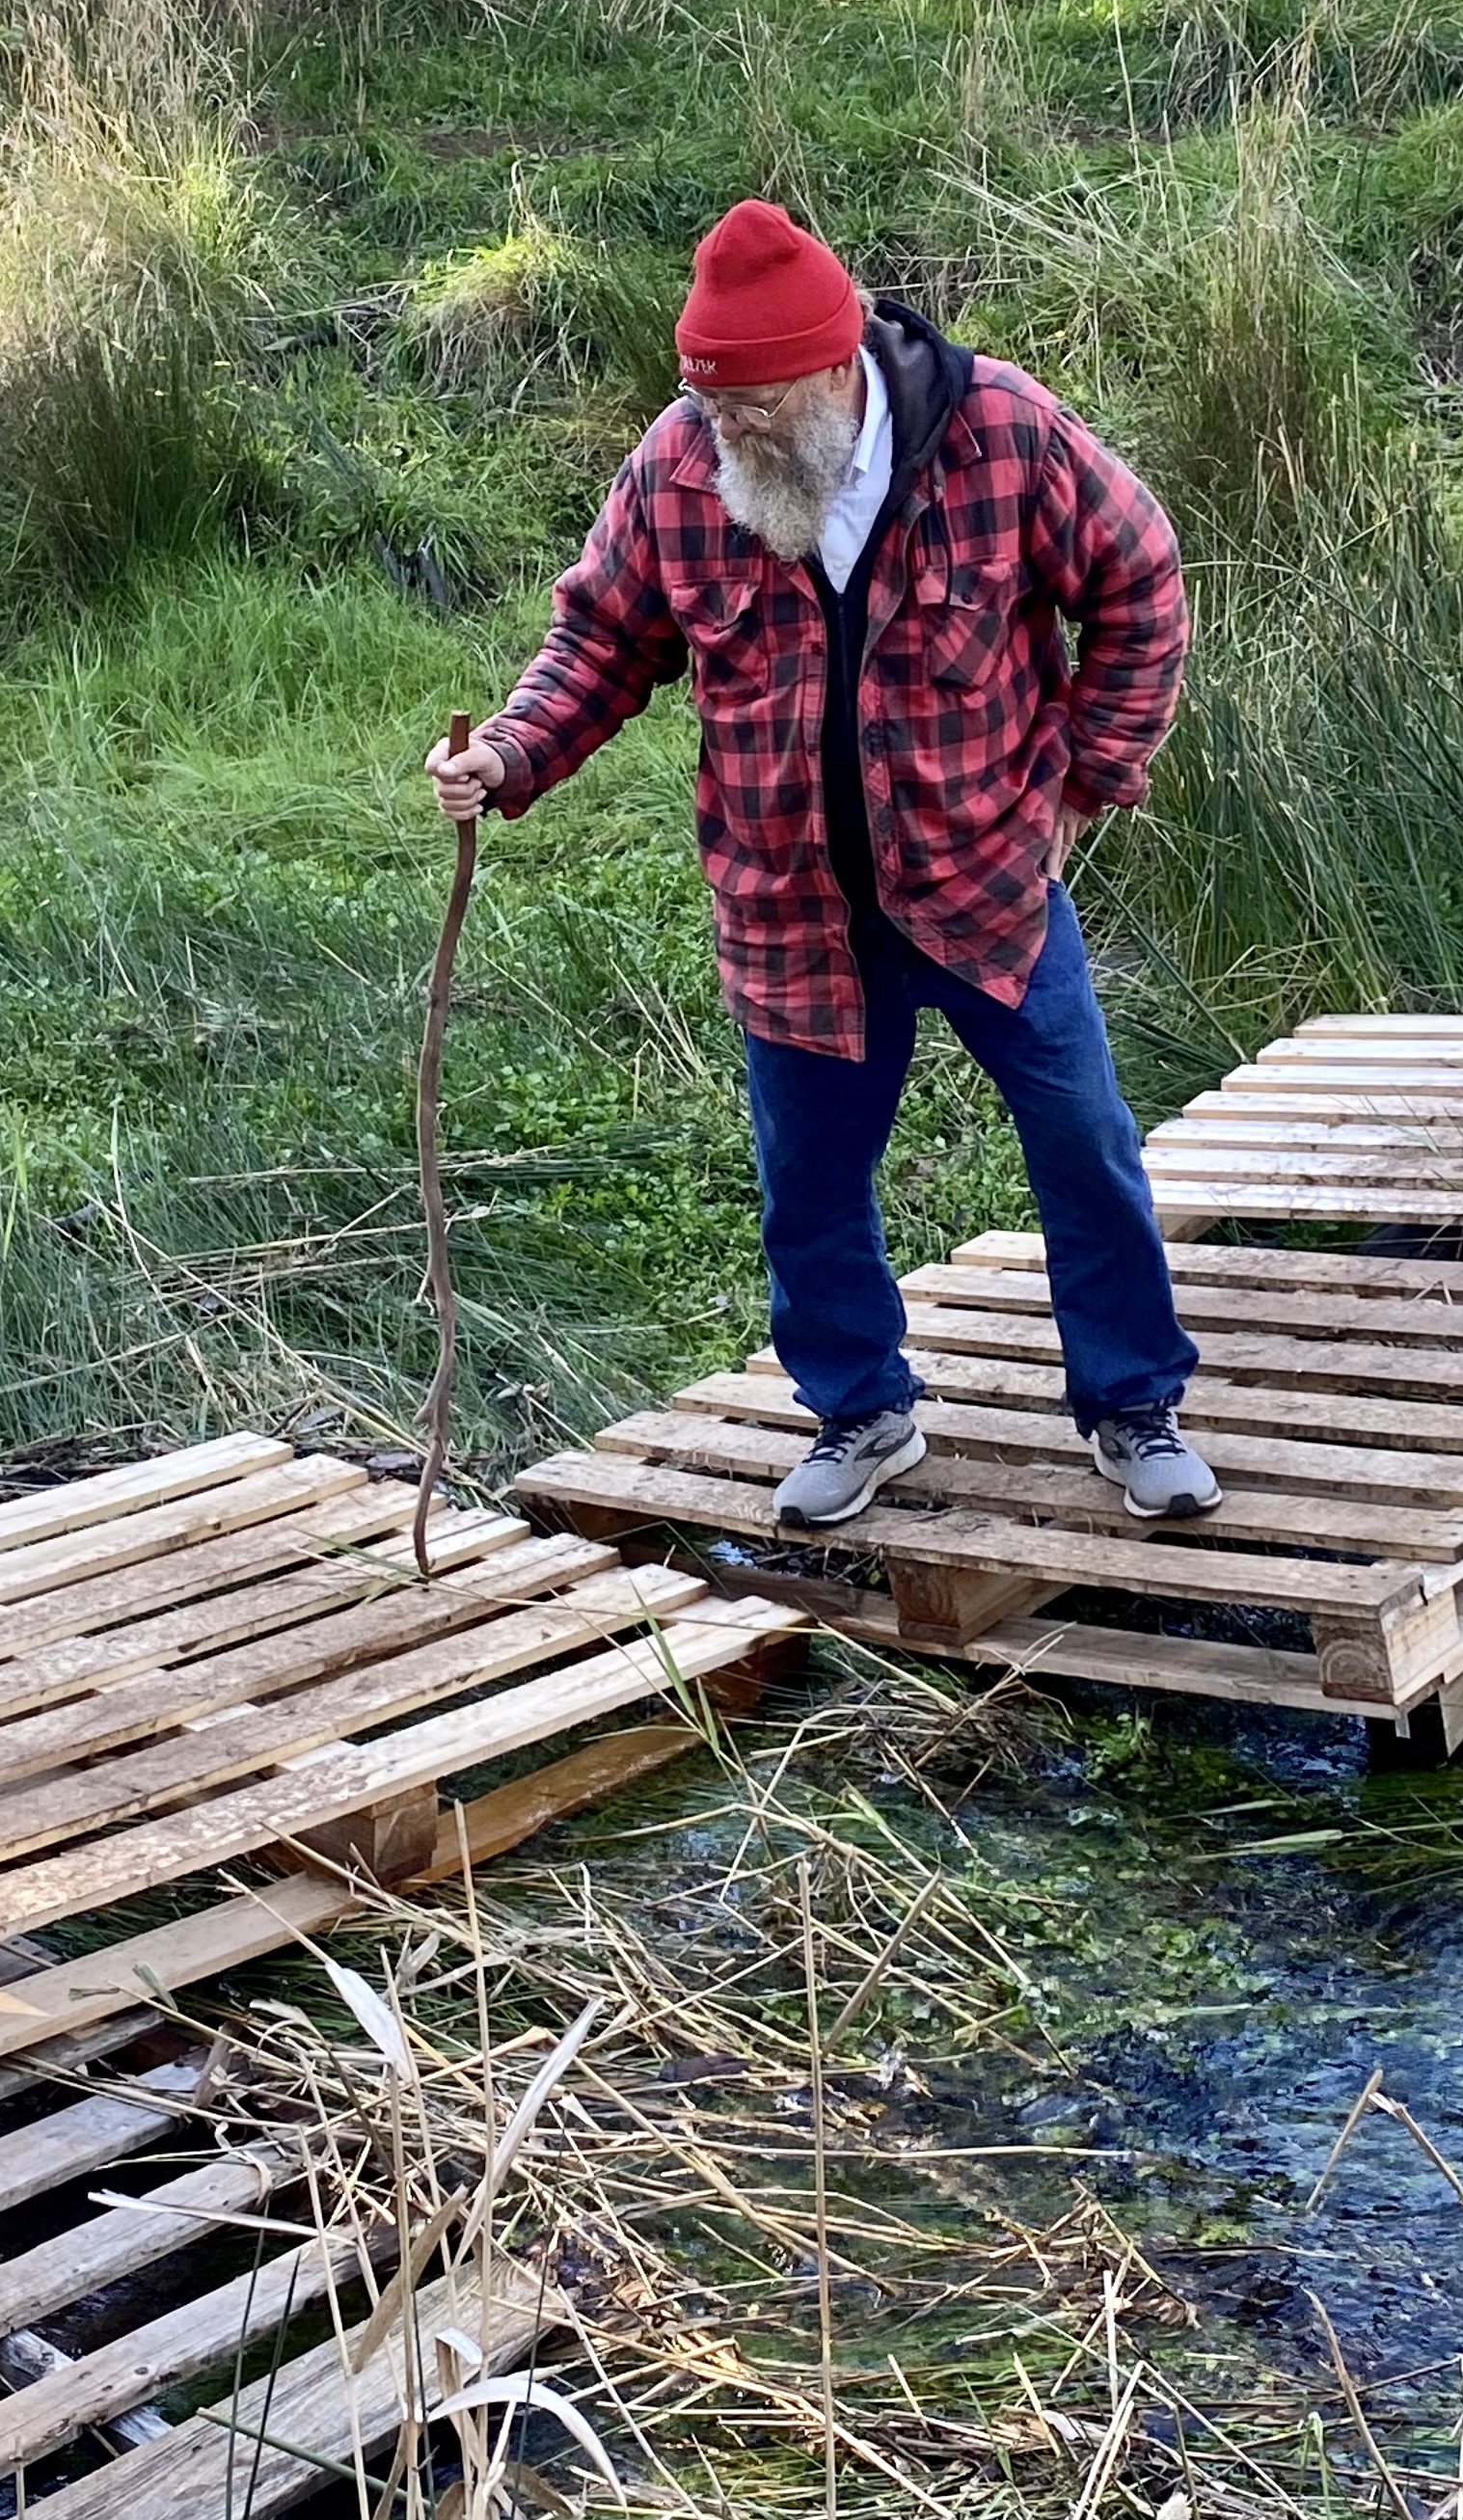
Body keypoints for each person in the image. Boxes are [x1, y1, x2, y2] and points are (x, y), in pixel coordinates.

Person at [427, 196, 1218, 1531]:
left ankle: (1134, 1404)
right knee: (808, 1182)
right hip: (790, 910)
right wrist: (508, 755)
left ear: (829, 367)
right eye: (707, 404)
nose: (722, 432)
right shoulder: (682, 471)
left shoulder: (1001, 436)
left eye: (748, 407)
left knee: (1083, 1139)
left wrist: (1088, 778)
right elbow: (601, 642)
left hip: (987, 887)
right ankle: (860, 1412)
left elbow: (1142, 581)